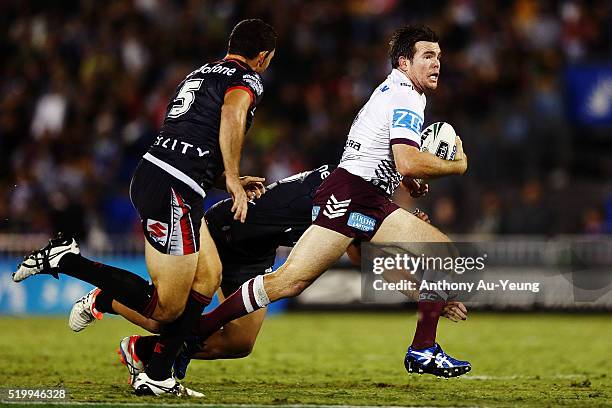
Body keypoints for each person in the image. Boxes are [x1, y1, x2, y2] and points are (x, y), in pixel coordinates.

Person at [173, 24, 471, 379]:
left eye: (438, 56)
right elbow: (406, 158)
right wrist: (457, 165)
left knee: (289, 282)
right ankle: (423, 349)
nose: (437, 63)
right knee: (445, 255)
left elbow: (384, 155)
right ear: (404, 62)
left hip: (357, 193)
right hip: (356, 193)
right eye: (427, 56)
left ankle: (191, 336)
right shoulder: (406, 95)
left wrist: (405, 180)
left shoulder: (398, 91)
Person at [12, 19, 277, 396]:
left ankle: (157, 372)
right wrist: (233, 178)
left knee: (208, 278)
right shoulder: (247, 79)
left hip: (170, 178)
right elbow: (233, 116)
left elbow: (189, 140)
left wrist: (225, 179)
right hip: (173, 188)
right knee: (165, 310)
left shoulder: (201, 72)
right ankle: (66, 261)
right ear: (264, 57)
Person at [67, 164, 467, 383]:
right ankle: (109, 301)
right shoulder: (351, 187)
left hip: (255, 253)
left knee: (239, 343)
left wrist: (422, 294)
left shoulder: (360, 190)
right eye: (415, 179)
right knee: (167, 314)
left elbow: (358, 256)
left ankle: (142, 351)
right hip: (226, 230)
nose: (415, 186)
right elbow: (360, 250)